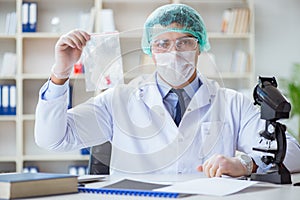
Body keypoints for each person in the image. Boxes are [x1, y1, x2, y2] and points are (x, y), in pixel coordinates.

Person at [34, 4, 300, 177]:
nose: (174, 52)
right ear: (150, 50)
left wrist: (245, 164)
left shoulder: (231, 103)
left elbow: (294, 153)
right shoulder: (119, 100)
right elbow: (53, 139)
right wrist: (61, 73)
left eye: (184, 42)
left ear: (200, 46)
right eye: (162, 43)